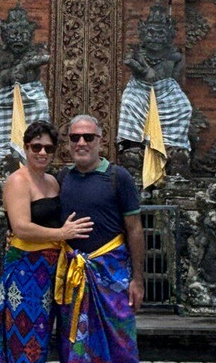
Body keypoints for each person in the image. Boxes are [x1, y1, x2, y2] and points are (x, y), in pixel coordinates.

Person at [0, 120, 93, 363]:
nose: (42, 153)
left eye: (48, 149)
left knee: (48, 334)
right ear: (26, 147)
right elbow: (21, 227)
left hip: (54, 269)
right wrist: (62, 234)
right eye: (36, 147)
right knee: (26, 339)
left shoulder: (52, 181)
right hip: (25, 270)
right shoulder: (18, 181)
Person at [55, 115, 145, 363]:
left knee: (119, 341)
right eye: (75, 137)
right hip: (73, 276)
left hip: (112, 276)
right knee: (74, 342)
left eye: (88, 137)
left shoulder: (119, 177)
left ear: (100, 141)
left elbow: (135, 230)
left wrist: (138, 280)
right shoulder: (62, 178)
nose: (81, 143)